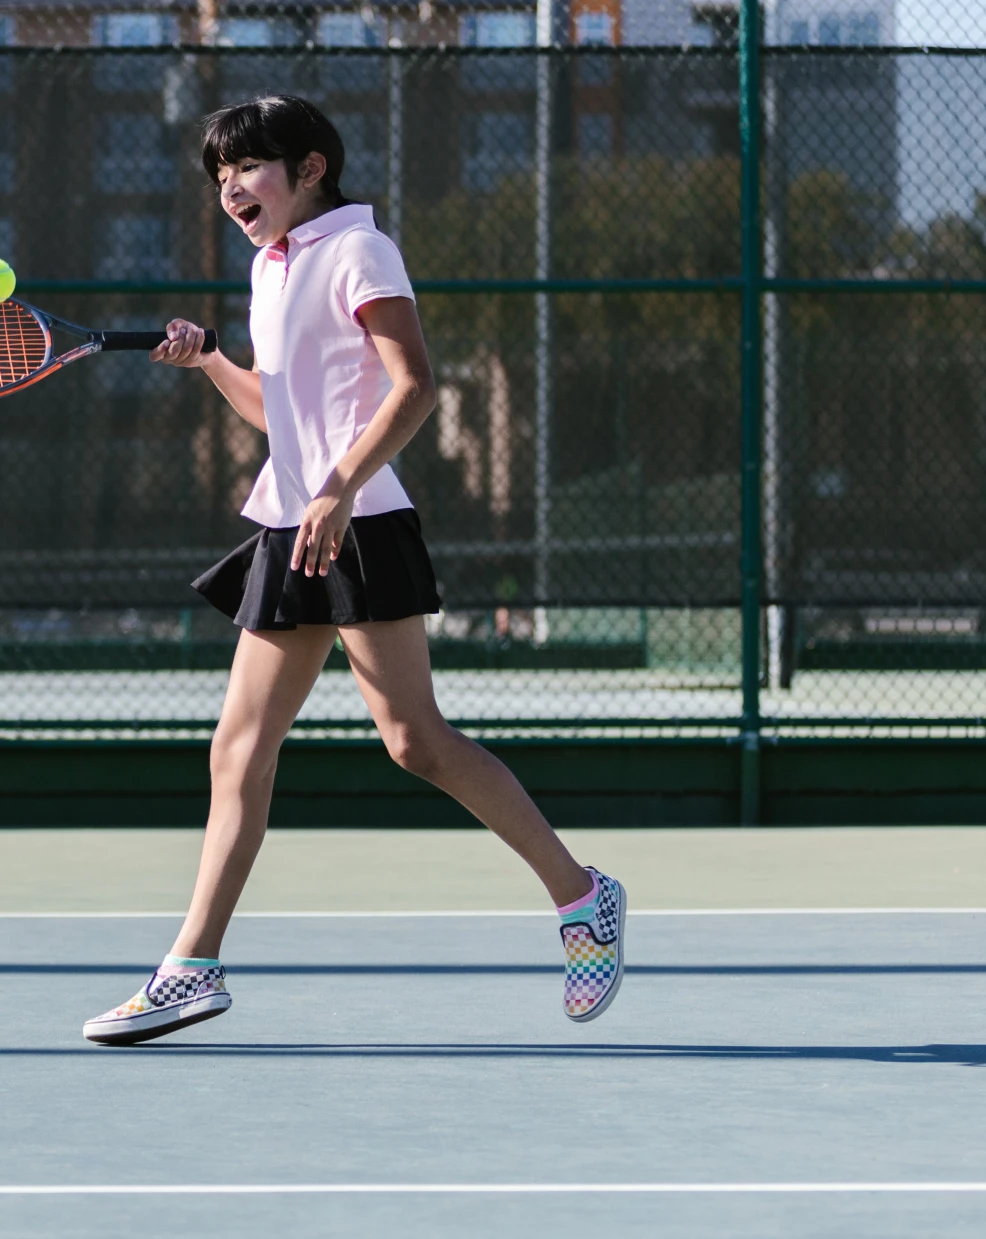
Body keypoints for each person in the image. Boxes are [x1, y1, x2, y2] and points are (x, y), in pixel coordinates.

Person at [82, 95, 624, 1045]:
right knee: (237, 747)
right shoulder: (270, 266)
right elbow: (282, 411)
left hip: (358, 519)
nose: (231, 188)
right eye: (218, 176)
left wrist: (337, 489)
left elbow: (412, 383)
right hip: (293, 521)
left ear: (312, 167)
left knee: (414, 742)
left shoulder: (359, 251)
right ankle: (191, 967)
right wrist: (210, 360)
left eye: (247, 167)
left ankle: (583, 899)